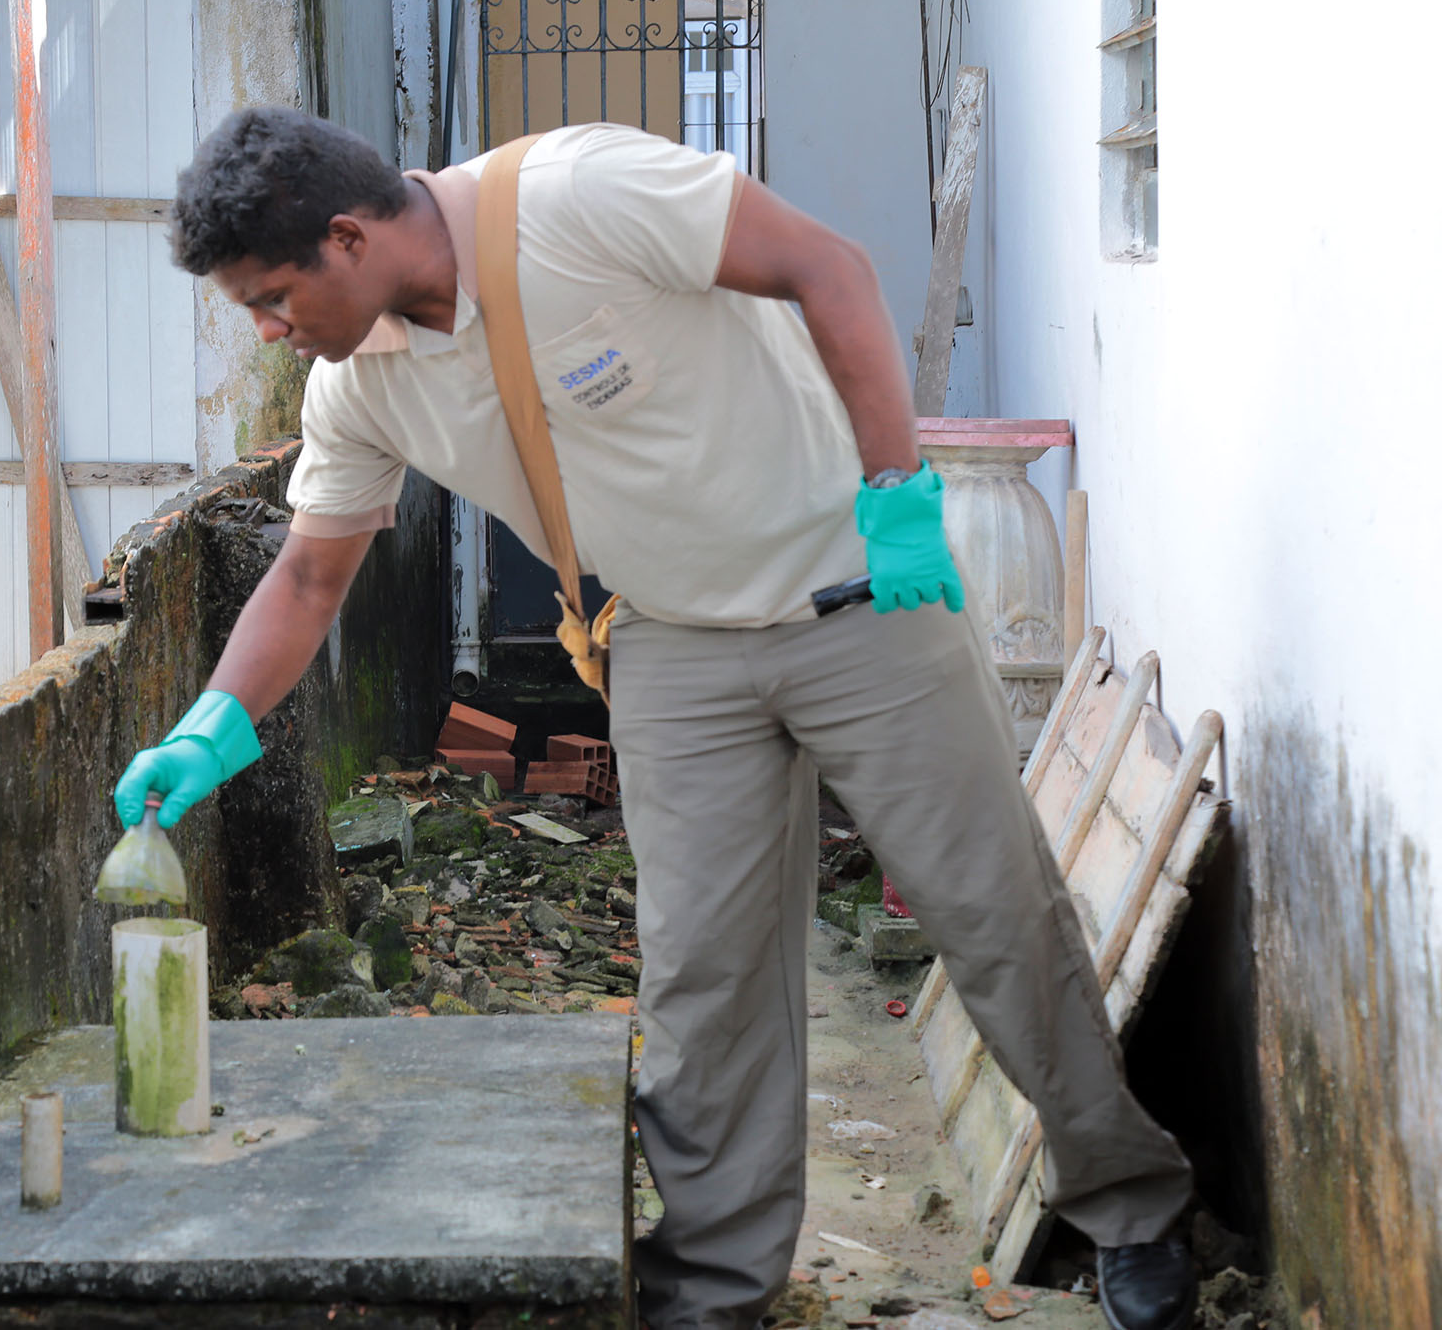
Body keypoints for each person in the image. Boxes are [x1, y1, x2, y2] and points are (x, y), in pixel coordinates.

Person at [115, 105, 1197, 1330]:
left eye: (269, 296)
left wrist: (898, 490)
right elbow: (309, 576)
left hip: (857, 592)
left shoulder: (579, 193)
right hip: (672, 641)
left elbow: (825, 265)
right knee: (702, 979)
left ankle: (1129, 1202)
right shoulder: (357, 386)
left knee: (989, 910)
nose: (265, 329)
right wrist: (212, 722)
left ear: (349, 239)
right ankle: (717, 1281)